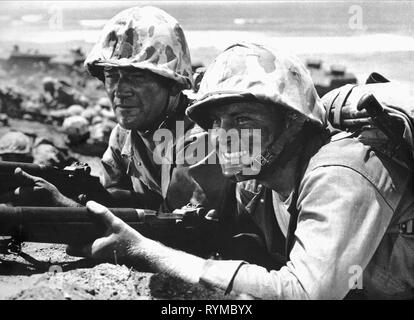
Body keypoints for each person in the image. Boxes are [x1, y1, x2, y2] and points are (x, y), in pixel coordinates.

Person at [70, 43, 414, 300]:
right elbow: (191, 229)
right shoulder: (256, 184)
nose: (223, 136)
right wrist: (75, 212)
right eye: (216, 122)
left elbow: (306, 294)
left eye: (242, 119)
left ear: (293, 123)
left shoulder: (342, 170)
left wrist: (146, 252)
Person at [9, 6, 228, 214]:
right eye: (112, 75)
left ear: (173, 83)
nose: (120, 90)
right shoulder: (125, 134)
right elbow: (114, 198)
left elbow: (182, 233)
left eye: (137, 76)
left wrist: (65, 206)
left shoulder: (202, 139)